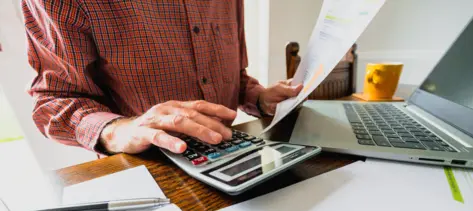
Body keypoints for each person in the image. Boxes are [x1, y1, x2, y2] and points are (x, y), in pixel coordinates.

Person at [21, 0, 303, 155]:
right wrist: (120, 130)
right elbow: (55, 99)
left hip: (235, 154)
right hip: (145, 170)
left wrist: (259, 97)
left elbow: (234, 76)